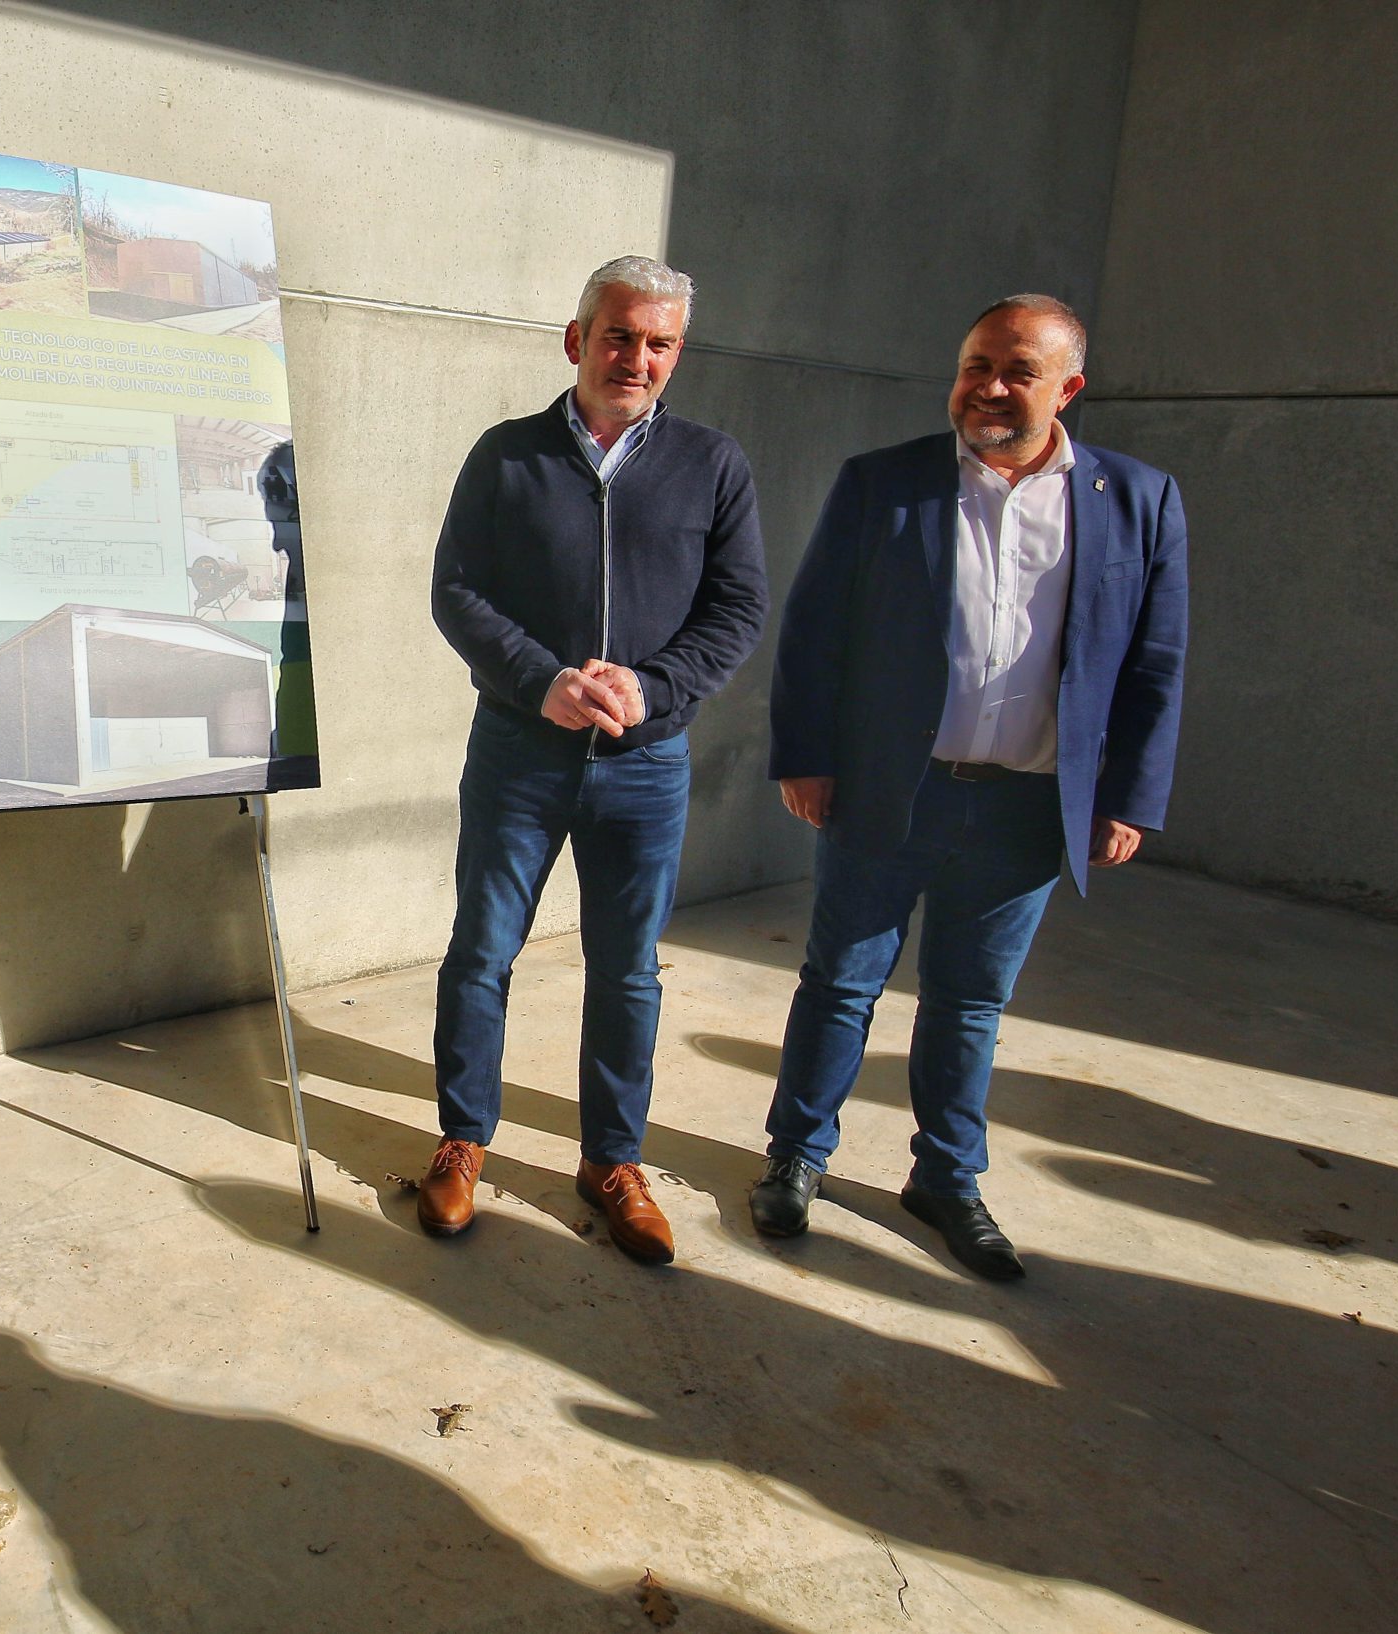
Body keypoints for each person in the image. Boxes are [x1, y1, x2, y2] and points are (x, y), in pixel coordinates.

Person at [754, 295, 1189, 1279]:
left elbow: (1155, 662)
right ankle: (796, 1155)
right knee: (840, 981)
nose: (988, 386)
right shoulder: (886, 483)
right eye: (973, 364)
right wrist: (805, 756)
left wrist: (1129, 795)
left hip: (1027, 805)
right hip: (885, 789)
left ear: (1068, 387)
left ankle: (945, 1176)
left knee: (967, 1000)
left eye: (1017, 371)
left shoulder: (1138, 499)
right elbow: (814, 630)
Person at [424, 255, 767, 1261]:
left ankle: (609, 1157)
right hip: (519, 750)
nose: (637, 357)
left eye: (659, 343)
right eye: (620, 335)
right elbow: (456, 589)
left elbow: (738, 607)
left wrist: (649, 686)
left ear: (676, 355)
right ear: (578, 339)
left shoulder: (713, 464)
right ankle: (460, 1138)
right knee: (481, 950)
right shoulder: (507, 455)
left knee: (626, 971)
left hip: (646, 762)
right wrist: (541, 679)